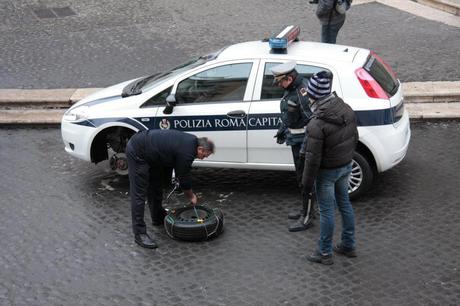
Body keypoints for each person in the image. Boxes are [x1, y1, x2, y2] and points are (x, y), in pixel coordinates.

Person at [301, 71, 358, 265]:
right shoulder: (346, 109)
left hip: (327, 172)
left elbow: (312, 159)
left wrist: (306, 185)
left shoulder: (316, 124)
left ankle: (324, 252)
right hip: (345, 166)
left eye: (309, 94)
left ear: (314, 96)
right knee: (345, 204)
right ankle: (348, 245)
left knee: (326, 211)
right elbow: (353, 138)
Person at [126, 129, 215, 249]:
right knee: (139, 195)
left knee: (156, 184)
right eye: (204, 155)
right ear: (200, 149)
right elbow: (183, 177)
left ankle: (157, 216)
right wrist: (191, 196)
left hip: (152, 153)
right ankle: (139, 234)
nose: (203, 158)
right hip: (138, 151)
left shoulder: (192, 141)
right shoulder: (187, 152)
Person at [271, 61, 315, 232]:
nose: (279, 85)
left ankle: (308, 218)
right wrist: (283, 130)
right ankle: (305, 209)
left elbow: (312, 122)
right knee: (301, 178)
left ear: (289, 78)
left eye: (280, 81)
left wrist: (305, 147)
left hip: (303, 142)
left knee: (306, 180)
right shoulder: (293, 89)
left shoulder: (301, 93)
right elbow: (290, 115)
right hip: (296, 138)